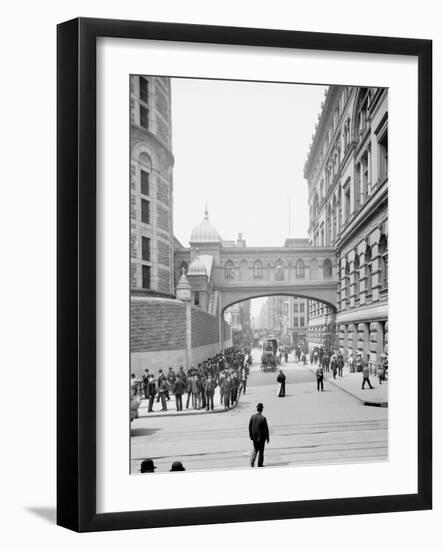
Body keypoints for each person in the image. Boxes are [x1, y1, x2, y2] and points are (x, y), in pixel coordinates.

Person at [249, 403, 270, 467]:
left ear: (257, 409)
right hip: (261, 438)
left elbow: (249, 427)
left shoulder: (252, 417)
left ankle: (252, 461)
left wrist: (251, 436)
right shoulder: (263, 418)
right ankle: (260, 464)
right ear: (262, 410)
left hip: (254, 438)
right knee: (261, 451)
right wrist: (267, 438)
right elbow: (266, 429)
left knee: (255, 449)